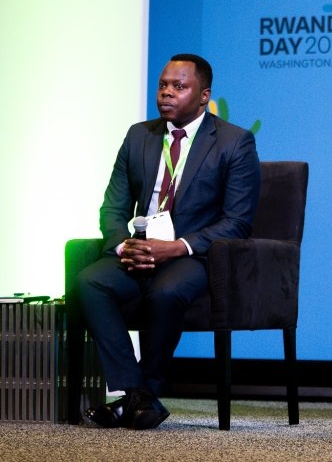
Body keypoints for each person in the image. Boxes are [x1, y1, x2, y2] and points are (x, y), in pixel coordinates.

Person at [77, 54, 261, 430]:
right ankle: (137, 396)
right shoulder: (138, 135)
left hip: (193, 255)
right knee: (89, 282)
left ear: (203, 96)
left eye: (179, 87)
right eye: (163, 85)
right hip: (139, 250)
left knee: (165, 292)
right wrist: (122, 246)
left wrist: (176, 247)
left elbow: (237, 222)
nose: (166, 94)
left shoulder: (233, 141)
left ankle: (141, 394)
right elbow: (112, 207)